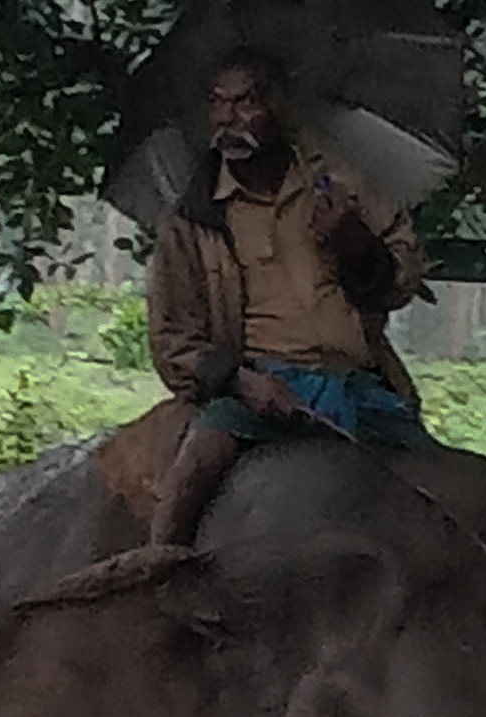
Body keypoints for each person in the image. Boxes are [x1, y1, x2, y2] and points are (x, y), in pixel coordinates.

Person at [142, 46, 436, 546]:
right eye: (218, 104)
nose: (229, 119)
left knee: (441, 495)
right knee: (196, 467)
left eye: (246, 101)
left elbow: (402, 280)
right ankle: (156, 572)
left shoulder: (342, 185)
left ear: (279, 106)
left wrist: (355, 244)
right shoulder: (191, 222)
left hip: (357, 383)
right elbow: (171, 341)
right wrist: (239, 381)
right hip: (261, 386)